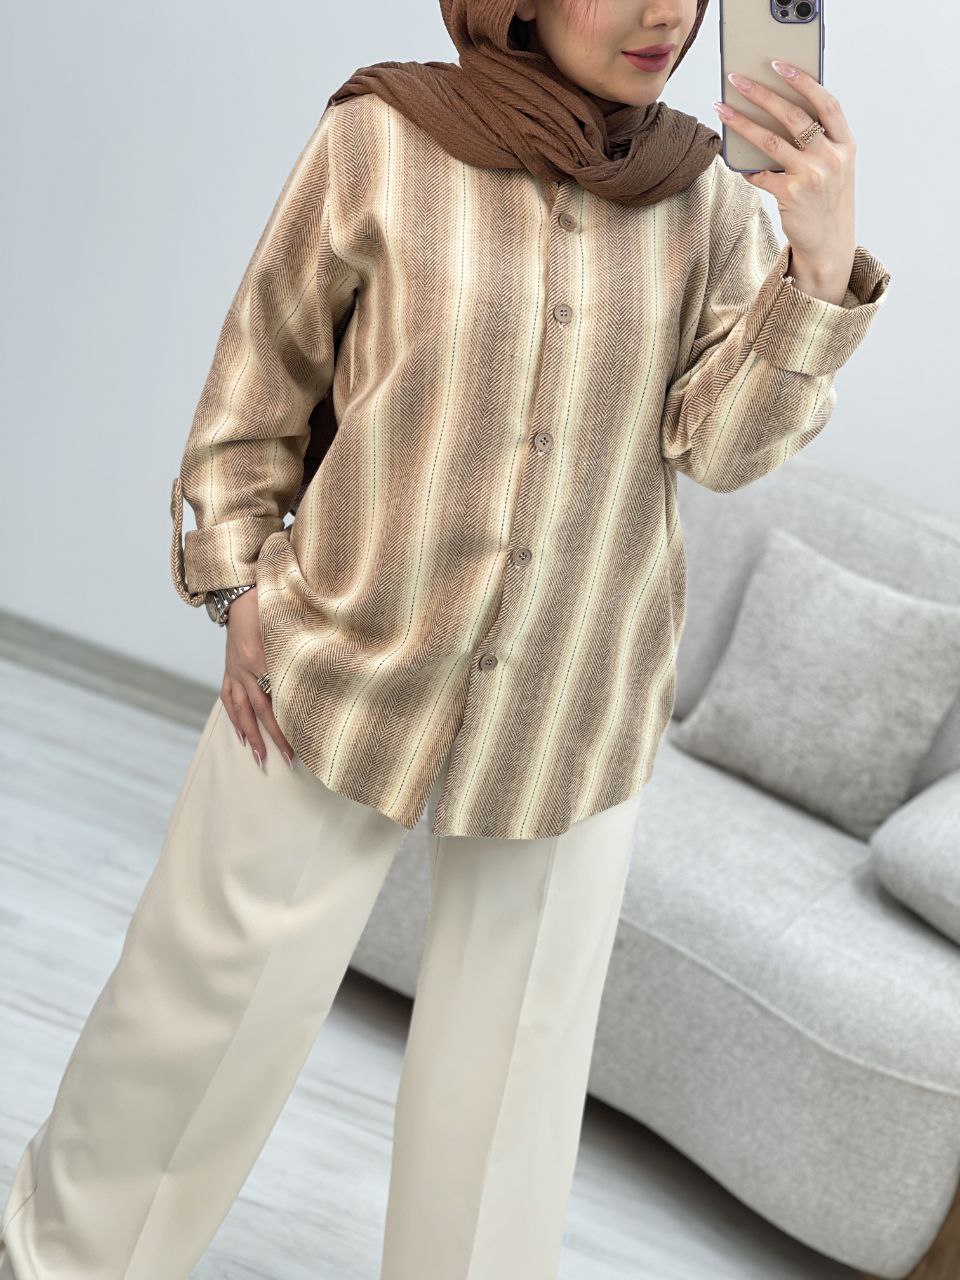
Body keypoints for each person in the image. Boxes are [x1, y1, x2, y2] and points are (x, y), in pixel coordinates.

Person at [0, 1, 891, 1277]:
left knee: (507, 1105)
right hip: (333, 663)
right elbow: (259, 383)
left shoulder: (708, 201)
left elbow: (725, 449)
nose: (666, 14)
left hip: (575, 706)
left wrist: (816, 267)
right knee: (194, 1023)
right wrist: (239, 580)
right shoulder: (381, 138)